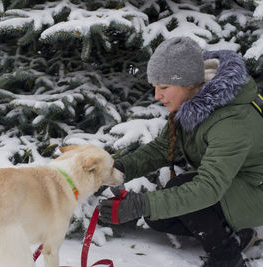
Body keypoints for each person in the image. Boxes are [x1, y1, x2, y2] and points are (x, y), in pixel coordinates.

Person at [98, 37, 263, 267]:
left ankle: (228, 258)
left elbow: (207, 189)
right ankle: (234, 235)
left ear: (188, 83)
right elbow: (162, 148)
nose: (157, 95)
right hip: (232, 181)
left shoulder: (231, 120)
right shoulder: (192, 102)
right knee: (158, 218)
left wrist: (141, 203)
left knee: (182, 194)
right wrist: (116, 170)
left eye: (164, 87)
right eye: (155, 87)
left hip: (256, 189)